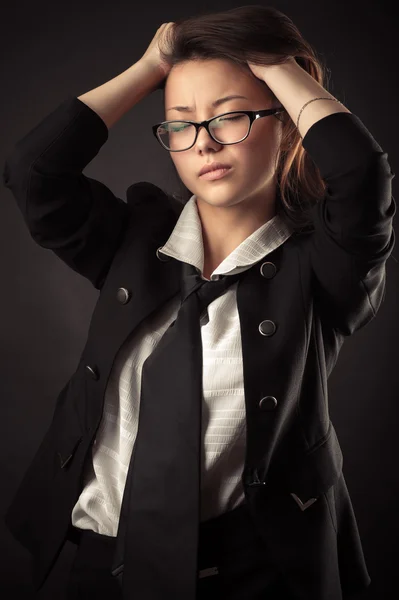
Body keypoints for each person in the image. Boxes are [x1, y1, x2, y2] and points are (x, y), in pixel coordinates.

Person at [3, 5, 395, 600]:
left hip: (253, 571)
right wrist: (149, 67)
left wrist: (276, 65)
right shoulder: (135, 240)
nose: (203, 144)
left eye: (230, 116)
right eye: (180, 124)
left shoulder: (322, 267)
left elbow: (362, 175)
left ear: (287, 122)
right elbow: (34, 171)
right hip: (103, 565)